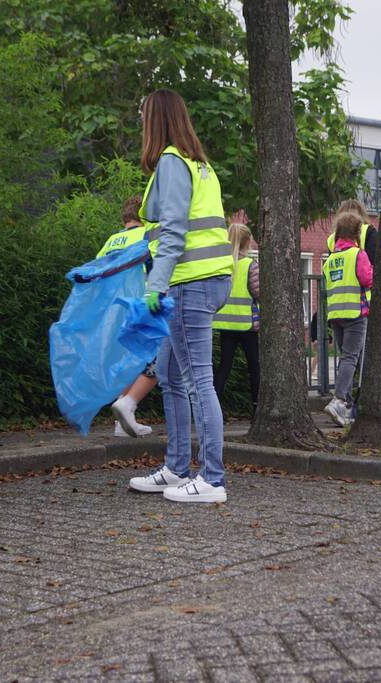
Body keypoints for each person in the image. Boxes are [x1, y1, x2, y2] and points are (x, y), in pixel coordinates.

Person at [127, 89, 233, 504]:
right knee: (171, 376)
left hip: (190, 283)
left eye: (143, 117)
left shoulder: (172, 162)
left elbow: (172, 231)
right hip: (205, 280)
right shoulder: (199, 165)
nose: (140, 125)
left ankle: (211, 479)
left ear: (156, 121)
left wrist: (156, 285)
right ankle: (176, 468)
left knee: (196, 381)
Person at [101, 195, 157, 438]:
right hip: (142, 305)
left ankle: (122, 420)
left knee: (127, 363)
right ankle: (128, 406)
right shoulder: (146, 236)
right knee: (159, 358)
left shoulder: (111, 241)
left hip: (114, 309)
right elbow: (156, 271)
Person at [322, 212, 373, 426]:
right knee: (351, 357)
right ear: (357, 233)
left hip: (335, 314)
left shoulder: (331, 258)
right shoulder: (357, 254)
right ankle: (339, 400)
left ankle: (346, 406)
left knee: (345, 358)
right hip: (355, 312)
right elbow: (367, 279)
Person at [213, 223, 260, 414]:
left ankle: (213, 408)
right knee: (254, 367)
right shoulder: (250, 265)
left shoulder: (223, 265)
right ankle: (257, 407)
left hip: (225, 324)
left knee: (223, 368)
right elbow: (258, 292)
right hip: (247, 324)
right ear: (247, 242)